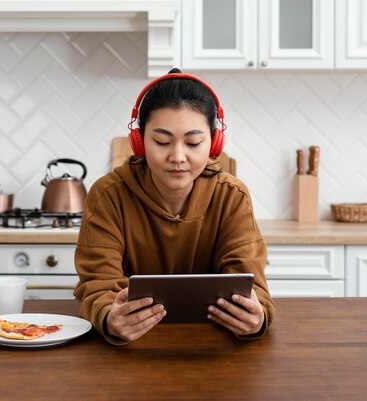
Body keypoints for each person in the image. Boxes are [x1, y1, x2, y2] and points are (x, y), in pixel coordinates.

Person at [73, 68, 274, 345]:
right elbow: (96, 286)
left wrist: (256, 317)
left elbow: (255, 289)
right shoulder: (109, 194)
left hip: (214, 348)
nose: (177, 156)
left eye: (193, 142)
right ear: (139, 141)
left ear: (215, 142)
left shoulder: (232, 195)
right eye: (162, 141)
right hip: (132, 350)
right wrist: (109, 317)